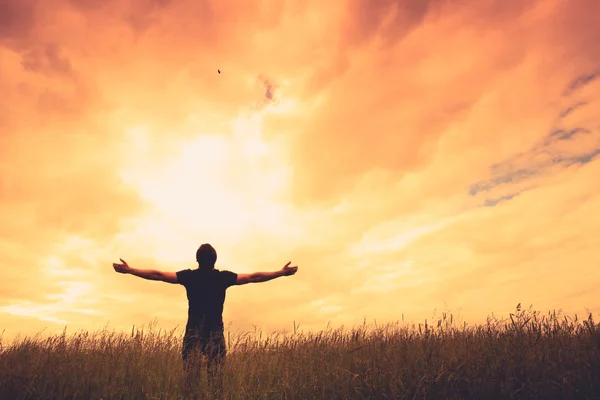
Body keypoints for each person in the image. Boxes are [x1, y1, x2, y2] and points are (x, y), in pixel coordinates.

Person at [112, 243, 299, 395]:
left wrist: (130, 270)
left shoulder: (189, 276)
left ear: (197, 260)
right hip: (215, 333)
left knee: (190, 381)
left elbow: (158, 275)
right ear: (215, 261)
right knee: (216, 382)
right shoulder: (223, 278)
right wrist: (280, 273)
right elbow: (253, 277)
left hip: (193, 332)